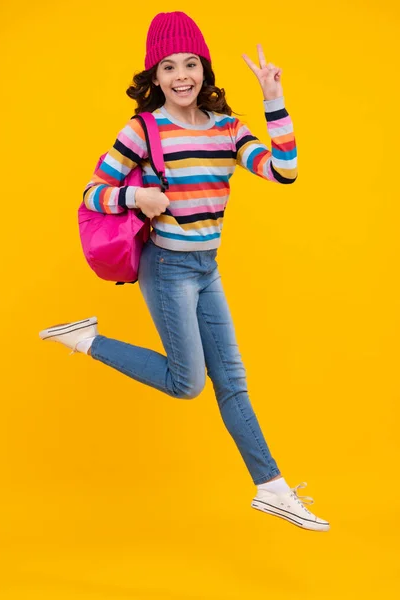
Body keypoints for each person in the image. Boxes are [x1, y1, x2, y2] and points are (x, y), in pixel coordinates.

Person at [39, 11, 329, 532]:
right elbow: (92, 192)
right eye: (168, 66)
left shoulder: (228, 130)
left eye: (190, 63)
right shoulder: (142, 129)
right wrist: (137, 194)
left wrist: (272, 100)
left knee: (233, 384)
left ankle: (273, 488)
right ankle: (87, 341)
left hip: (206, 268)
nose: (181, 76)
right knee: (188, 383)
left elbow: (284, 171)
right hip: (167, 266)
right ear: (154, 77)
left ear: (204, 69)